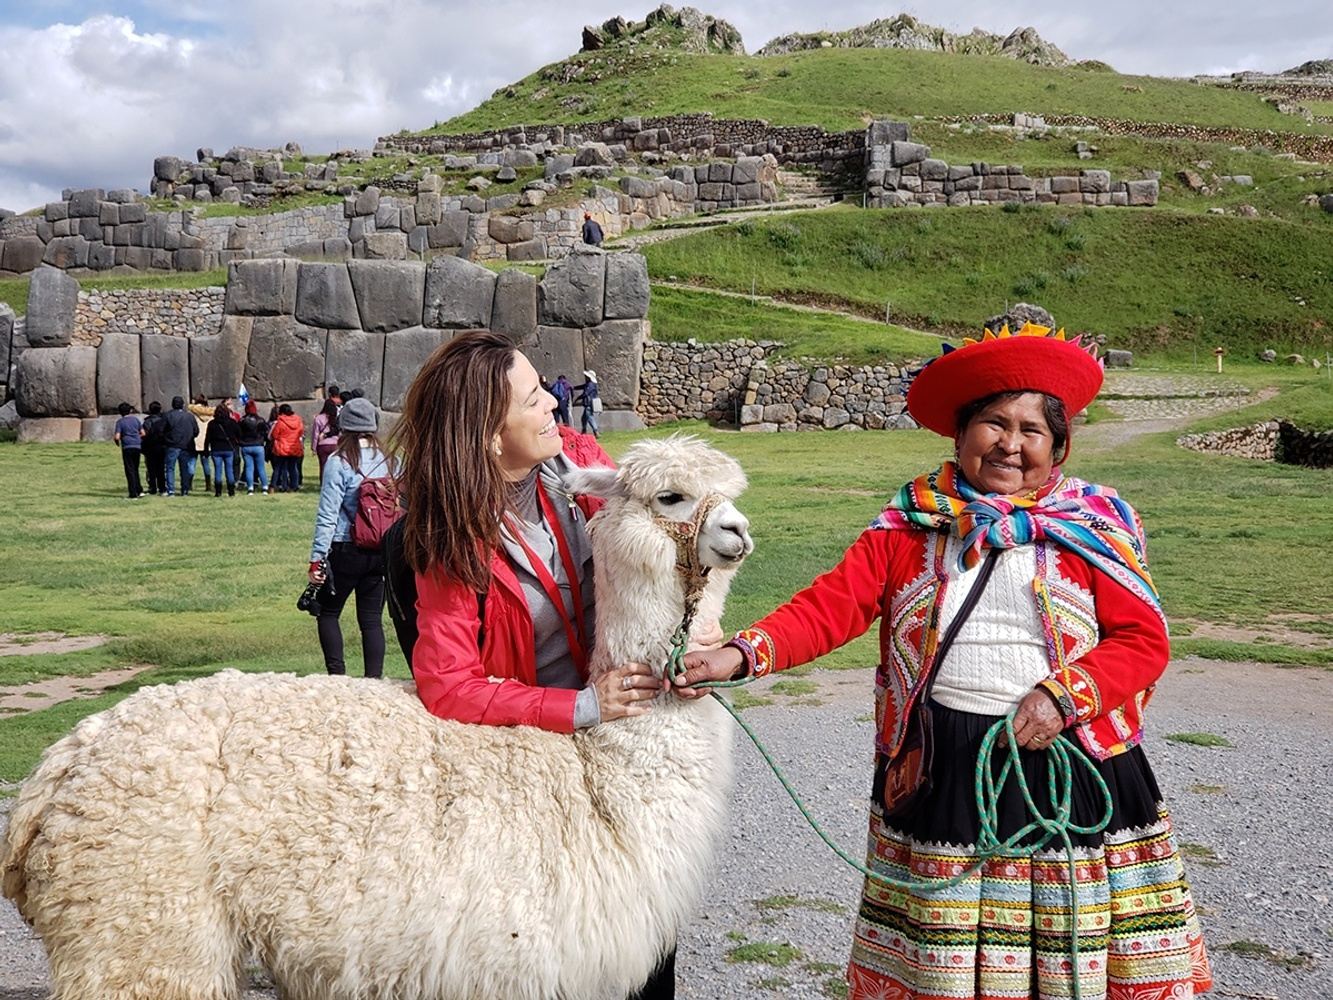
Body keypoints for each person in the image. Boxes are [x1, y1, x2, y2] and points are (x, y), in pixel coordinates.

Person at [678, 325, 1213, 1000]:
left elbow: (1141, 641)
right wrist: (736, 655)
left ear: (1058, 446)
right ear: (960, 434)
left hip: (1066, 762)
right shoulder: (909, 525)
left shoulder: (1094, 525)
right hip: (944, 765)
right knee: (942, 963)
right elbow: (830, 607)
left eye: (1030, 430)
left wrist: (1062, 697)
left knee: (1069, 955)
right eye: (994, 424)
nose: (1010, 444)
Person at [390, 330, 696, 999]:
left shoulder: (580, 462)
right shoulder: (449, 537)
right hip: (536, 756)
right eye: (532, 400)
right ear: (488, 435)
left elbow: (667, 552)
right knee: (555, 945)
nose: (553, 404)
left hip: (621, 737)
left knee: (647, 934)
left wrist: (698, 623)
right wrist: (580, 706)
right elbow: (449, 686)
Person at [307, 397, 396, 678]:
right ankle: (373, 680)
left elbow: (328, 513)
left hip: (346, 544)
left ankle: (337, 677)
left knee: (328, 612)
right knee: (371, 621)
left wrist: (317, 558)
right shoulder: (390, 459)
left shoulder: (339, 461)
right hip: (381, 548)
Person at [161, 395, 199, 497]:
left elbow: (162, 430)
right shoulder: (189, 416)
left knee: (170, 468)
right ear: (183, 405)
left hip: (172, 445)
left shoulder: (168, 416)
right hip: (186, 445)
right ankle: (185, 490)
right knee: (184, 469)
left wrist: (167, 439)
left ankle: (171, 490)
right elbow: (196, 431)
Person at [204, 402, 240, 497]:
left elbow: (207, 438)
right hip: (228, 449)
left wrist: (206, 450)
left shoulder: (212, 424)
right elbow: (239, 434)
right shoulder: (232, 422)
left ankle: (218, 491)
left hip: (216, 449)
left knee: (218, 470)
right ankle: (231, 490)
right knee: (229, 470)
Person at [270, 404, 306, 493]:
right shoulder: (298, 421)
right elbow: (301, 432)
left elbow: (274, 435)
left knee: (279, 468)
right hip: (294, 446)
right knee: (293, 467)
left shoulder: (280, 422)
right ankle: (294, 486)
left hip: (282, 447)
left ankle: (275, 485)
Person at [112, 402, 144, 500]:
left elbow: (117, 436)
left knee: (129, 470)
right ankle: (139, 490)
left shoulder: (120, 422)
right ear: (130, 410)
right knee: (135, 469)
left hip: (127, 447)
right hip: (137, 446)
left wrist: (118, 442)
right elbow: (143, 433)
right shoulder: (136, 420)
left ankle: (133, 493)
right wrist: (136, 438)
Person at [238, 401, 270, 495]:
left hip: (246, 446)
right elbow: (266, 433)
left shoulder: (242, 420)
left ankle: (250, 488)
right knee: (261, 468)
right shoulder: (260, 420)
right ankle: (265, 487)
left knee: (249, 468)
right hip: (258, 446)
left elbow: (238, 433)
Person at [139, 400, 168, 496]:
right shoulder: (163, 420)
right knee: (161, 468)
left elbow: (144, 435)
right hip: (161, 446)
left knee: (151, 469)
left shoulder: (147, 421)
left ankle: (152, 487)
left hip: (150, 447)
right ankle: (162, 487)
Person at [311, 398, 341, 482]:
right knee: (335, 466)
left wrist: (314, 447)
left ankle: (323, 484)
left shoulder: (319, 418)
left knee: (323, 466)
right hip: (335, 444)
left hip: (323, 445)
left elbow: (315, 434)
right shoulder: (336, 418)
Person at [188, 394, 214, 493]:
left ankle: (189, 484)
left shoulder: (192, 412)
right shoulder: (210, 413)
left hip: (194, 441)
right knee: (206, 464)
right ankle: (208, 485)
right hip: (206, 442)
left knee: (191, 464)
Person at [574, 369, 601, 437]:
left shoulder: (591, 385)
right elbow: (582, 386)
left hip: (589, 403)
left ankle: (596, 431)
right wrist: (573, 387)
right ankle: (584, 431)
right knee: (584, 418)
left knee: (590, 417)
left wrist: (578, 398)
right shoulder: (589, 384)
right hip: (589, 403)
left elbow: (586, 393)